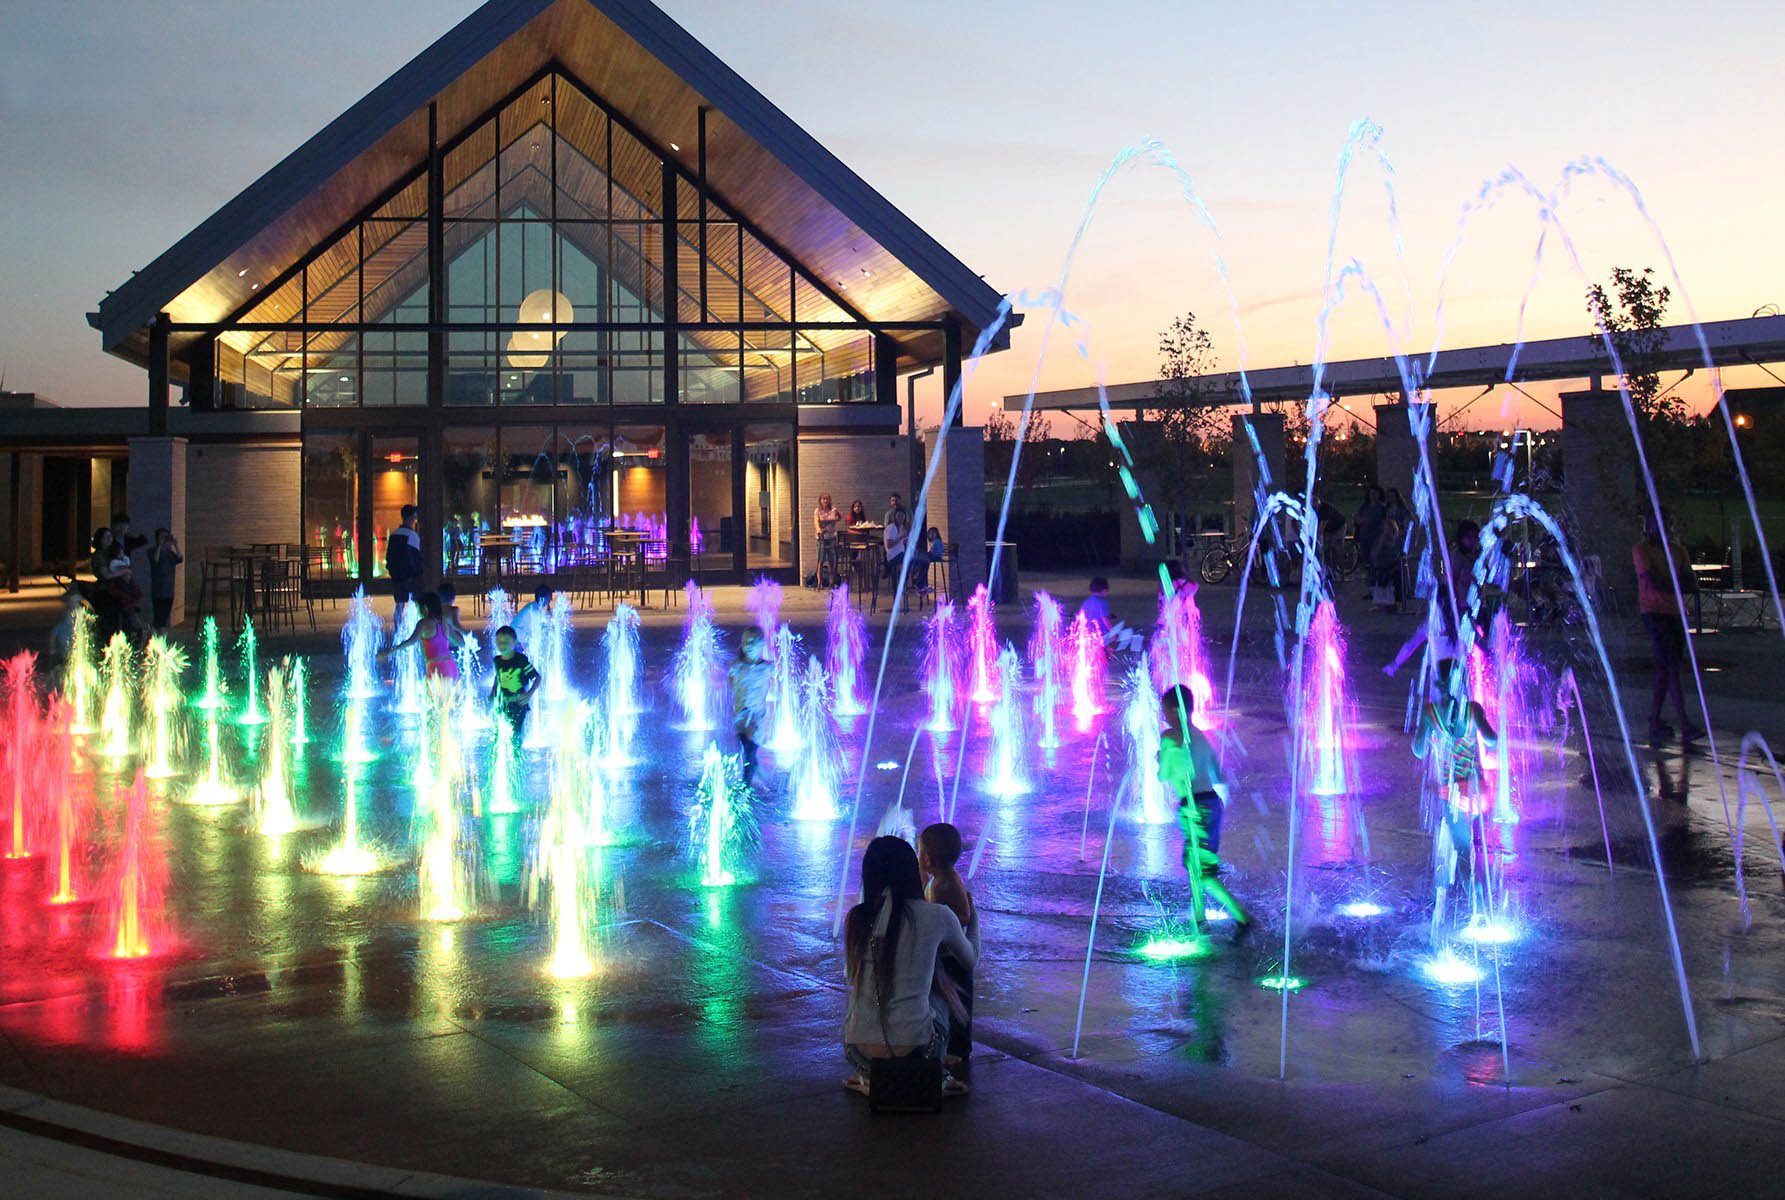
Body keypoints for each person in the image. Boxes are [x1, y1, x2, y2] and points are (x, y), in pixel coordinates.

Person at [842, 836, 976, 1098]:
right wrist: (974, 919)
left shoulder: (856, 918)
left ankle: (871, 1080)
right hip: (921, 1051)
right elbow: (970, 959)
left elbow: (853, 976)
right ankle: (935, 1076)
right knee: (941, 982)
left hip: (858, 1054)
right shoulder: (937, 916)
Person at [1413, 659, 1499, 941]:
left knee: (1463, 852)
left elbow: (1417, 750)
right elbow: (1492, 741)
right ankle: (1485, 901)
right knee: (1476, 846)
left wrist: (1427, 733)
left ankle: (1479, 910)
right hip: (1480, 791)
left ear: (1439, 684)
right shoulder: (1473, 709)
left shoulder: (1431, 713)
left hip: (1454, 794)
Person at [1157, 683, 1250, 936]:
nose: (1163, 716)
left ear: (1176, 710)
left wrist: (1161, 758)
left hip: (1194, 807)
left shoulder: (1170, 736)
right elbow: (1218, 776)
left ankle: (1242, 918)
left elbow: (1163, 775)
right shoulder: (1202, 737)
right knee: (1197, 866)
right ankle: (1199, 921)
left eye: (1165, 710)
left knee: (1203, 872)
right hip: (1211, 805)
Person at [1632, 508, 1700, 747]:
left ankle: (1654, 721)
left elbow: (1691, 584)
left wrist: (1668, 582)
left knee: (1665, 667)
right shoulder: (1641, 551)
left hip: (1675, 613)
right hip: (1653, 613)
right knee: (1671, 664)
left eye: (1664, 522)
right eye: (1655, 523)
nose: (1660, 527)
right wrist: (1675, 582)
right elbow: (1654, 583)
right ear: (1648, 525)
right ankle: (1684, 723)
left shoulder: (1678, 551)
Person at [918, 823, 979, 1070]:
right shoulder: (941, 880)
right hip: (948, 950)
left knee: (958, 1002)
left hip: (953, 954)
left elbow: (963, 915)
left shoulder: (945, 884)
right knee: (949, 1000)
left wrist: (955, 919)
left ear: (927, 857)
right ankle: (951, 1043)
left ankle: (958, 1048)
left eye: (919, 850)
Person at [378, 590, 463, 681]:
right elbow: (460, 642)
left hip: (436, 667)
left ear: (425, 608)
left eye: (418, 607)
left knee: (432, 695)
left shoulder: (423, 623)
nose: (417, 611)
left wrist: (389, 652)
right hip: (451, 666)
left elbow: (411, 641)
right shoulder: (445, 622)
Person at [728, 626, 772, 787]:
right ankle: (756, 770)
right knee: (745, 748)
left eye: (752, 641)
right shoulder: (736, 667)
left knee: (750, 749)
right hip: (740, 716)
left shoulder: (767, 668)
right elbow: (732, 686)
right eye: (745, 642)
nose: (748, 645)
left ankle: (745, 787)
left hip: (757, 717)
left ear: (762, 643)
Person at [488, 624, 540, 738]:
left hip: (518, 704)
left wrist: (529, 694)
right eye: (499, 642)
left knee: (515, 736)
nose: (502, 645)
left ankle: (517, 754)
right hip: (502, 703)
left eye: (506, 642)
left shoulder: (520, 660)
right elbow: (498, 678)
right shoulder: (497, 660)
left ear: (515, 643)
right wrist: (492, 693)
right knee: (497, 734)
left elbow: (537, 677)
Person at [385, 504, 424, 608]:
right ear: (412, 517)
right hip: (410, 576)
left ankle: (398, 624)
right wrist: (418, 573)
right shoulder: (412, 535)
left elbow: (389, 555)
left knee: (399, 605)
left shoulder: (394, 534)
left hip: (397, 575)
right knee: (416, 604)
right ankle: (418, 624)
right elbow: (415, 557)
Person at [147, 528, 182, 636]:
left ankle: (157, 636)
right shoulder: (152, 550)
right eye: (162, 537)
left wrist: (175, 544)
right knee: (159, 618)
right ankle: (157, 637)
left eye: (166, 537)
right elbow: (155, 560)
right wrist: (160, 546)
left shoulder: (170, 553)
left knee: (164, 617)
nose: (164, 539)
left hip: (169, 590)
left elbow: (180, 558)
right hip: (158, 590)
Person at [813, 493, 843, 588]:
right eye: (823, 499)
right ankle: (819, 582)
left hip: (831, 538)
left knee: (831, 561)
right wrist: (818, 530)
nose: (825, 501)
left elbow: (839, 516)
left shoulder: (833, 510)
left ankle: (831, 582)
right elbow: (816, 522)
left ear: (829, 500)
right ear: (820, 500)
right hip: (821, 538)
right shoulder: (817, 511)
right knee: (820, 560)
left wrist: (836, 520)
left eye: (827, 499)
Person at [513, 584, 554, 651]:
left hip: (519, 638)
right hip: (517, 641)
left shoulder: (535, 607)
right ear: (543, 598)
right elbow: (536, 633)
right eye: (549, 598)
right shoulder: (534, 611)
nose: (550, 600)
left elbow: (543, 625)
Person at [882, 503, 909, 580]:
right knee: (912, 560)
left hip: (900, 553)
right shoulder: (892, 528)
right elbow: (889, 545)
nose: (901, 518)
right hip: (893, 555)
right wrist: (901, 538)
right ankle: (903, 584)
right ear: (895, 517)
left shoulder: (902, 527)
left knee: (922, 559)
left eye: (902, 516)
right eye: (899, 516)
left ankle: (913, 583)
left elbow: (904, 542)